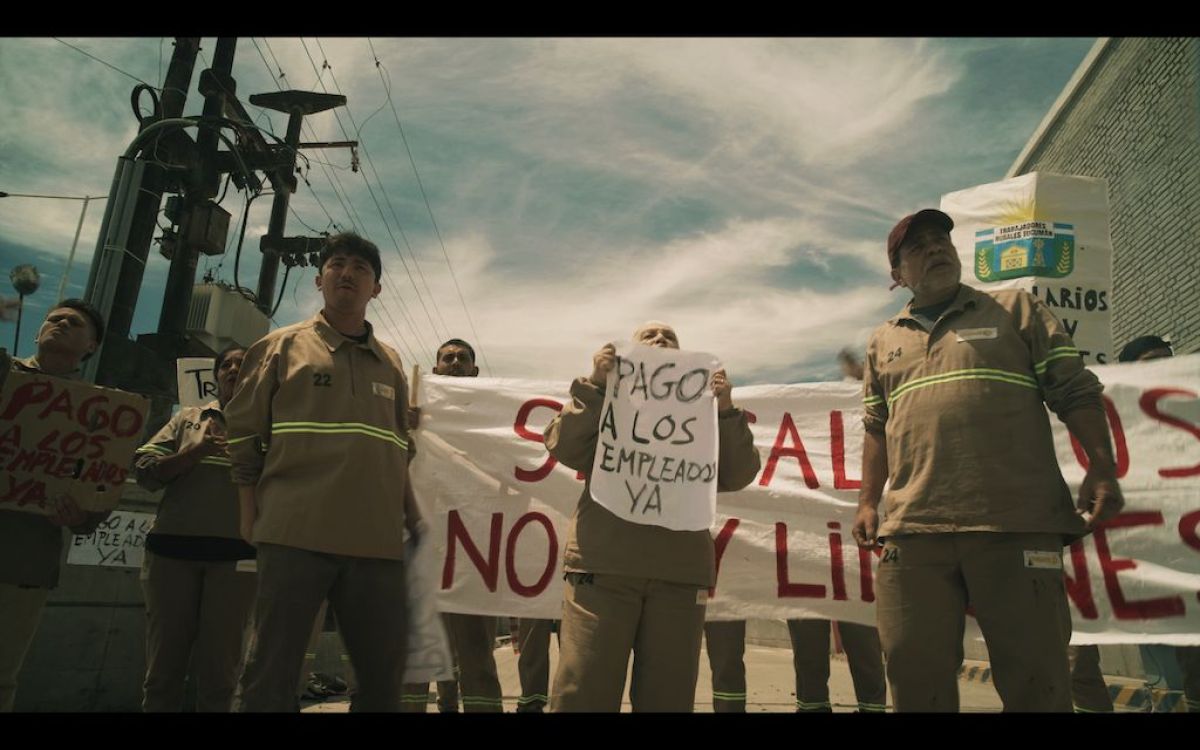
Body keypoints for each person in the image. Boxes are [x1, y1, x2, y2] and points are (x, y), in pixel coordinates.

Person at [853, 209, 1124, 712]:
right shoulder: (883, 341)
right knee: (912, 669)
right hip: (913, 531)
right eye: (918, 247)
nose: (935, 249)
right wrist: (868, 502)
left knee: (1035, 677)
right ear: (898, 275)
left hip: (1016, 523)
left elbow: (1074, 390)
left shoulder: (1015, 310)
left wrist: (1102, 466)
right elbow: (875, 428)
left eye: (941, 240)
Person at [226, 232, 421, 712]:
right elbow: (244, 436)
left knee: (381, 679)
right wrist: (249, 516)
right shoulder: (280, 347)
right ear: (319, 279)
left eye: (361, 267)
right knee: (272, 670)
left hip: (376, 545)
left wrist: (414, 522)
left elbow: (399, 450)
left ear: (376, 288)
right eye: (337, 264)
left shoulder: (392, 363)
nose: (348, 273)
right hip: (295, 534)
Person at [544, 321, 760, 712]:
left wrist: (725, 409)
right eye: (649, 336)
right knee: (583, 693)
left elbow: (739, 473)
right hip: (603, 569)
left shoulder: (708, 409)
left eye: (670, 336)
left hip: (678, 577)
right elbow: (564, 446)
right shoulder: (606, 396)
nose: (661, 339)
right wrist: (594, 384)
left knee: (669, 697)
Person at [0, 299, 110, 711]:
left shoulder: (100, 413)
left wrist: (81, 517)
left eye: (74, 322)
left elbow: (99, 489)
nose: (60, 323)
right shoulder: (3, 375)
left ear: (92, 346)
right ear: (35, 331)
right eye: (53, 318)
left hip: (24, 562)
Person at [134, 345, 257, 711]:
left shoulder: (273, 424)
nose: (234, 368)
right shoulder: (187, 419)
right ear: (216, 376)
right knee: (162, 671)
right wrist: (194, 453)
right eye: (227, 365)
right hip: (170, 555)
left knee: (220, 674)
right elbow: (144, 473)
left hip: (237, 560)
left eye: (244, 364)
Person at [401, 338, 505, 713]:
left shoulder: (494, 421)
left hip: (474, 551)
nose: (456, 363)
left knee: (477, 651)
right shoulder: (411, 411)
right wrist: (405, 427)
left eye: (463, 358)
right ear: (435, 369)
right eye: (448, 358)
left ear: (475, 372)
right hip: (422, 542)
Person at [1115, 334, 1198, 714]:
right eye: (1150, 360)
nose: (1161, 366)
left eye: (1166, 358)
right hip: (1148, 551)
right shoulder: (1118, 423)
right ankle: (1163, 700)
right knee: (1157, 639)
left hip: (1190, 545)